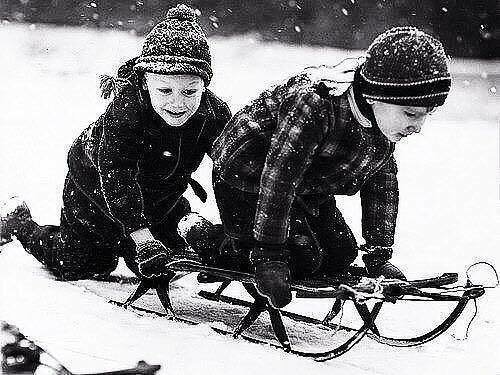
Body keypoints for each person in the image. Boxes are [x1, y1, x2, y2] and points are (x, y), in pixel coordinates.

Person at [208, 27, 452, 309]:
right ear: (373, 96)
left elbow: (381, 186)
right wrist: (268, 255)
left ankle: (273, 243)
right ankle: (213, 241)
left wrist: (379, 258)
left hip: (307, 184)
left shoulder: (381, 125)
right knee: (302, 257)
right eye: (410, 114)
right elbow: (279, 179)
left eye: (427, 115)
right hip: (245, 178)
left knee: (340, 253)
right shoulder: (315, 104)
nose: (418, 127)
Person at [0, 4, 231, 281]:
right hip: (95, 188)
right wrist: (142, 238)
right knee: (80, 264)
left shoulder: (213, 115)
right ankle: (20, 223)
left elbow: (235, 168)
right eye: (165, 90)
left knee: (161, 267)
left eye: (190, 91)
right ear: (145, 83)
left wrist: (240, 230)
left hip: (161, 194)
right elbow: (117, 176)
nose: (177, 102)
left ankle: (186, 226)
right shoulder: (126, 112)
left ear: (204, 85)